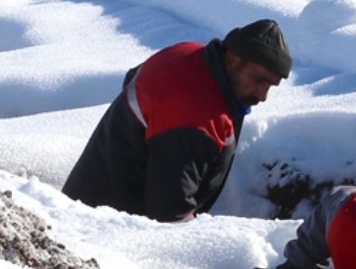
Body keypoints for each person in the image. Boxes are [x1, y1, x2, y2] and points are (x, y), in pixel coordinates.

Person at [62, 19, 291, 222]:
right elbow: (171, 213)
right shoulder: (194, 116)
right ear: (232, 59)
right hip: (108, 229)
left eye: (271, 85)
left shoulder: (189, 54)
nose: (263, 95)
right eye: (259, 80)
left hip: (84, 203)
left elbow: (135, 78)